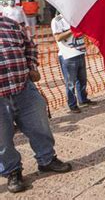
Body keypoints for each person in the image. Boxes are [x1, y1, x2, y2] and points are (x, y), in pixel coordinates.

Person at [0, 16, 72, 193]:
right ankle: (12, 171)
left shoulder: (11, 24)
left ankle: (46, 160)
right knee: (2, 140)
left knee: (40, 127)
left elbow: (30, 46)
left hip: (24, 89)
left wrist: (32, 67)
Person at [51, 13, 95, 113]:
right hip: (68, 56)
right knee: (70, 83)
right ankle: (72, 105)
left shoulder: (76, 18)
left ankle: (83, 100)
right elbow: (58, 37)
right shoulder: (57, 20)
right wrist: (72, 30)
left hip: (80, 52)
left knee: (82, 80)